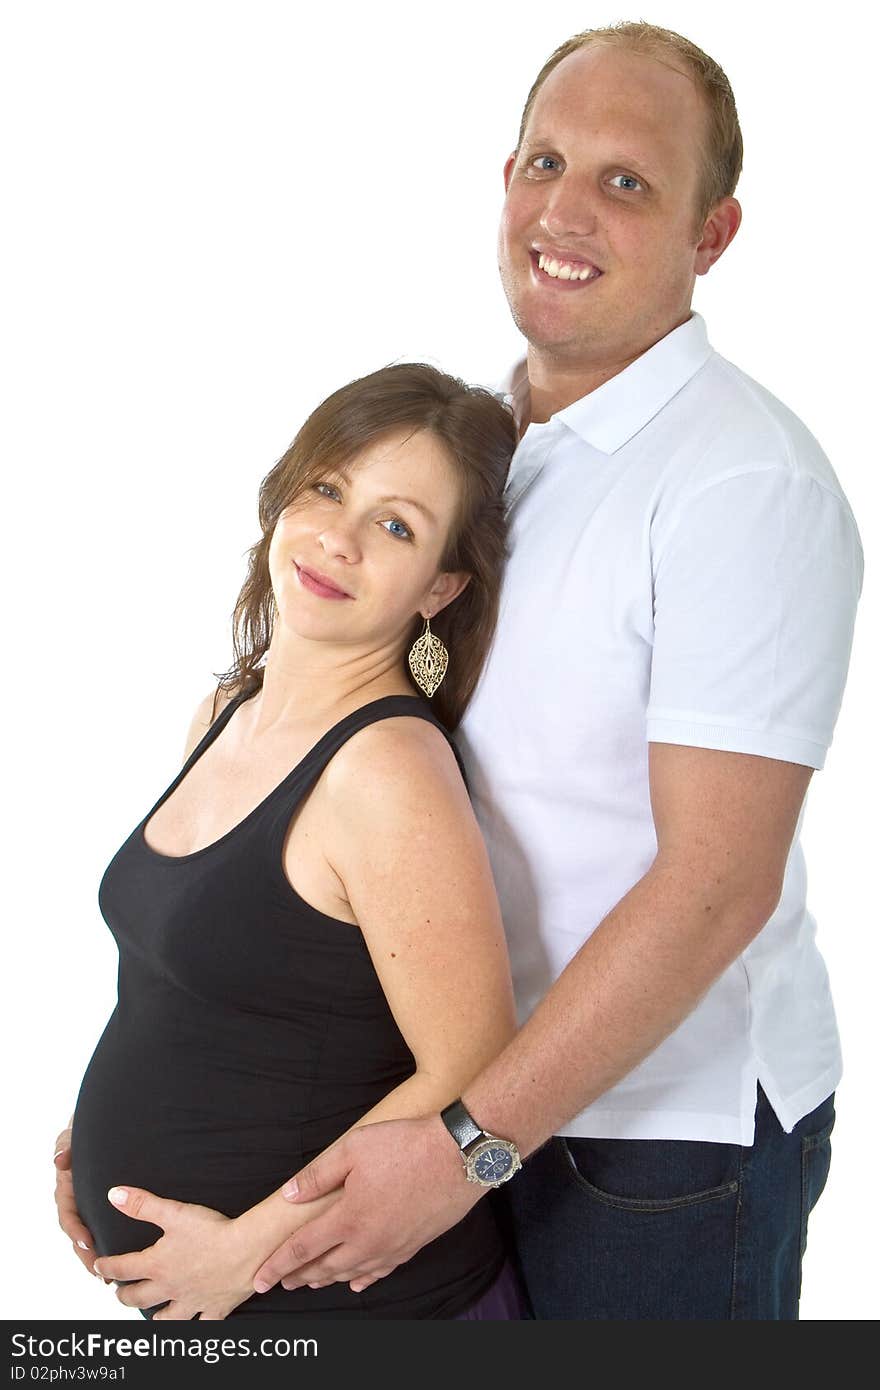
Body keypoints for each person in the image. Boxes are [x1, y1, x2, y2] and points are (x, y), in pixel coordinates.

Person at [56, 20, 863, 1321]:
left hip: (652, 1138)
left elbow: (717, 883)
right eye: (546, 160)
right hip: (483, 1105)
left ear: (713, 235)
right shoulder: (495, 456)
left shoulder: (739, 482)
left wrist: (467, 1144)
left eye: (628, 179)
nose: (567, 207)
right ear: (503, 180)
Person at [54, 361, 529, 1319]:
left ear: (439, 587)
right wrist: (96, 1137)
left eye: (395, 526)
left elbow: (476, 1073)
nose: (338, 540)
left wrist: (248, 1251)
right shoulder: (226, 714)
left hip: (356, 1307)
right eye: (328, 489)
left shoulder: (389, 771)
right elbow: (196, 981)